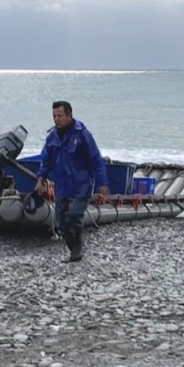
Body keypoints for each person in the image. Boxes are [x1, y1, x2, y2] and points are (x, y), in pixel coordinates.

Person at [34, 101, 109, 263]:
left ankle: (78, 247)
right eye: (54, 116)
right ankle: (73, 249)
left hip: (81, 186)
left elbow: (95, 159)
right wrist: (40, 180)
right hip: (61, 187)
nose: (56, 119)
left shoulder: (82, 134)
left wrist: (101, 182)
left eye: (60, 116)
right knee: (61, 223)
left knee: (74, 216)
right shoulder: (52, 137)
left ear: (69, 115)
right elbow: (45, 161)